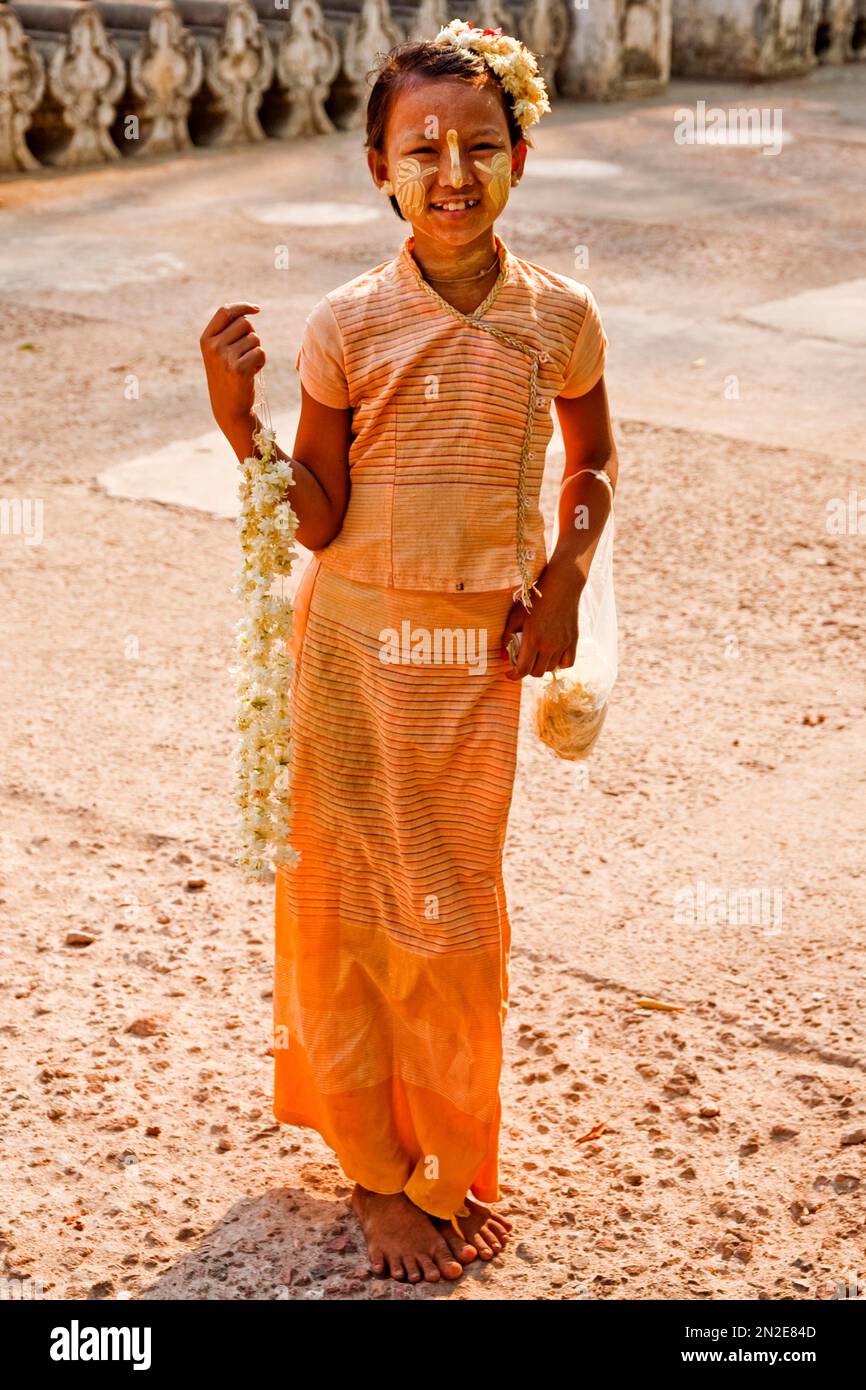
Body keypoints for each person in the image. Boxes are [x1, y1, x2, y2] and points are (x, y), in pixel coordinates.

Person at [200, 19, 618, 1286]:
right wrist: (240, 426)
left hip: (473, 668)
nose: (451, 172)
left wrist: (563, 583)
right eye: (419, 148)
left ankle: (447, 1150)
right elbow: (315, 514)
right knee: (345, 905)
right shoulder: (347, 325)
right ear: (377, 167)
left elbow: (592, 463)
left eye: (478, 147)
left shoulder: (558, 316)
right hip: (349, 654)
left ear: (520, 159)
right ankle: (379, 1178)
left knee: (452, 921)